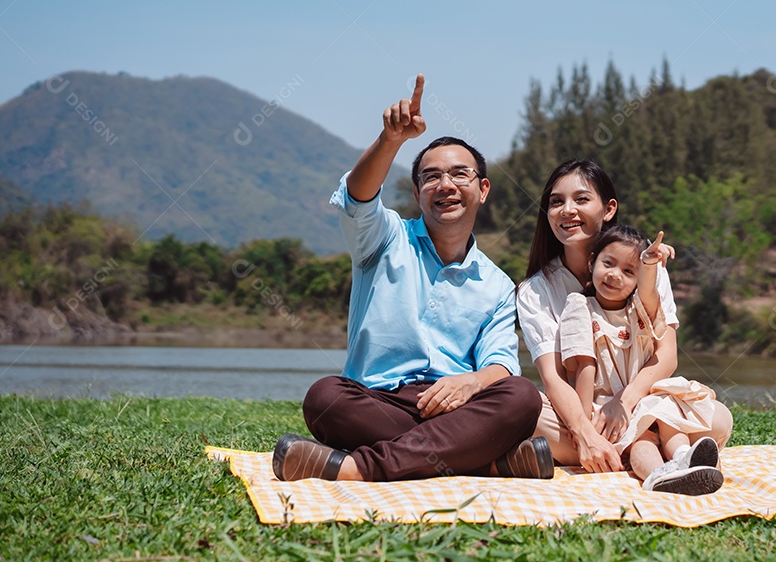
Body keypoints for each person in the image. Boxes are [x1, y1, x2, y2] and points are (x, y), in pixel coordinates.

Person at [272, 74, 551, 482]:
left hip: (454, 409)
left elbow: (501, 362)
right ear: (418, 194)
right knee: (325, 397)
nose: (446, 185)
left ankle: (354, 468)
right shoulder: (385, 238)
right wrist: (391, 140)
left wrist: (471, 382)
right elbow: (358, 199)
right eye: (431, 177)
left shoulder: (496, 285)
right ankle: (484, 462)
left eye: (460, 174)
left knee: (522, 396)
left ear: (483, 189)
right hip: (377, 402)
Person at [517, 159, 733, 481]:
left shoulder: (648, 268)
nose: (567, 210)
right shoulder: (536, 290)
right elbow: (554, 377)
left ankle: (636, 449)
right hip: (580, 414)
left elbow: (667, 356)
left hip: (642, 402)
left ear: (608, 209)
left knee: (718, 418)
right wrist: (584, 430)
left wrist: (624, 402)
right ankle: (645, 451)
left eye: (581, 199)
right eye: (556, 202)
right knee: (527, 412)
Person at [560, 224, 723, 494]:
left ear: (637, 280)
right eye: (608, 264)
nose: (615, 275)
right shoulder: (580, 306)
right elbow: (585, 365)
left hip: (642, 400)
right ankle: (657, 475)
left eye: (628, 272)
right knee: (642, 442)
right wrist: (585, 423)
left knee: (667, 414)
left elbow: (648, 294)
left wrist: (649, 263)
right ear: (592, 262)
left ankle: (683, 458)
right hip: (607, 409)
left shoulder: (639, 310)